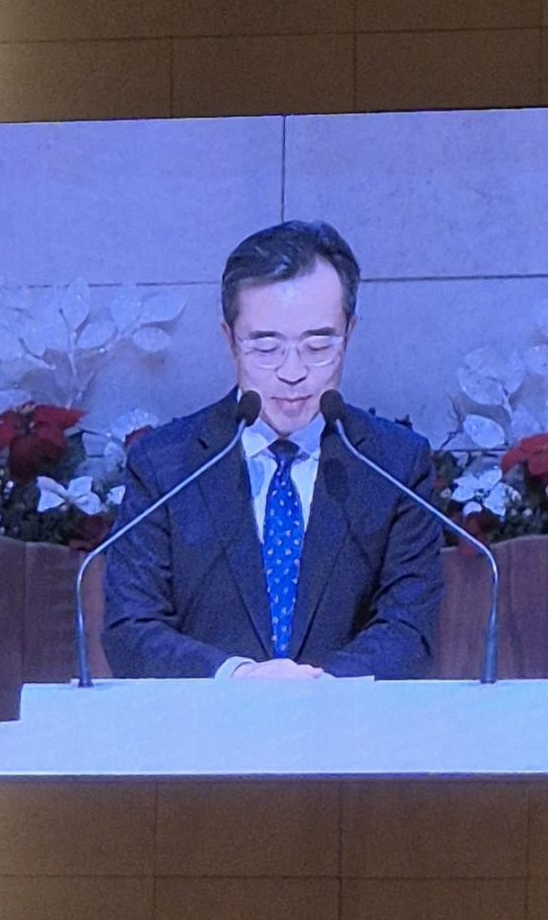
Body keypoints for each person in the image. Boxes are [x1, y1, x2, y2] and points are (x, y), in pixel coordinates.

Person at [101, 220, 443, 681]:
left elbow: (408, 628)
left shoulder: (394, 465)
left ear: (349, 334)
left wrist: (318, 690)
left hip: (349, 718)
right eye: (266, 348)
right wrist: (238, 678)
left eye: (318, 345)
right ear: (229, 340)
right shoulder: (165, 466)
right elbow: (132, 627)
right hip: (205, 719)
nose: (293, 372)